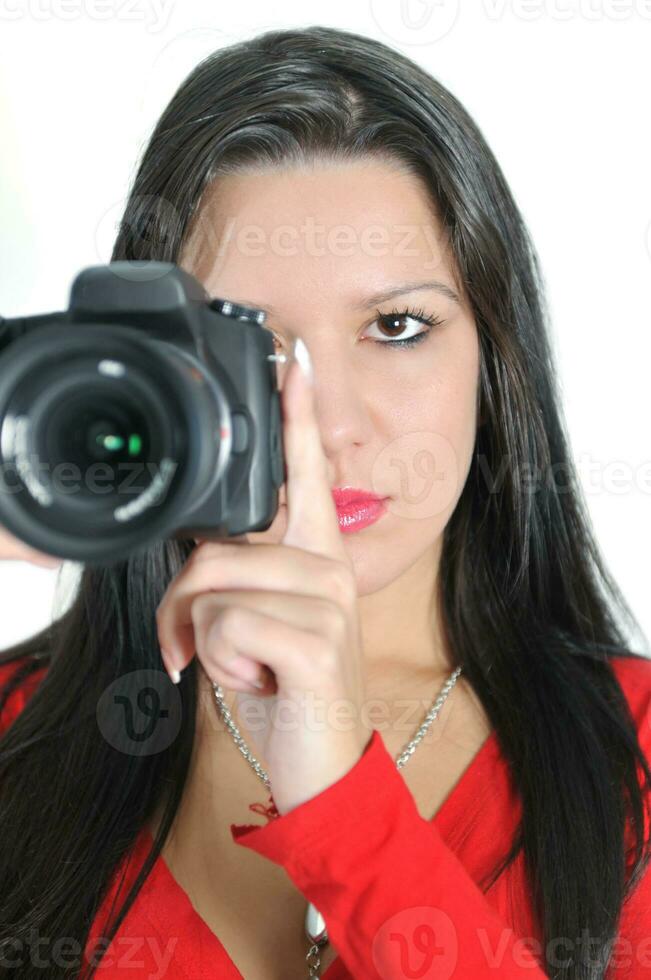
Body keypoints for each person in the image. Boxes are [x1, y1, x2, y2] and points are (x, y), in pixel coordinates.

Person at [1, 24, 650, 980]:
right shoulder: (17, 734)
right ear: (137, 364)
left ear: (493, 357)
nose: (329, 424)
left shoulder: (634, 753)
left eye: (396, 327)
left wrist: (346, 806)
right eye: (248, 336)